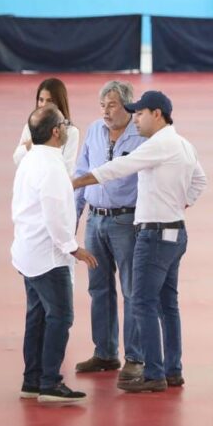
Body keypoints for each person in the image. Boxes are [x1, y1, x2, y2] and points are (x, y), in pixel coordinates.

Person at [73, 91, 207, 393]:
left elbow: (119, 167)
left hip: (154, 235)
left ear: (157, 114)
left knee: (143, 302)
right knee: (168, 304)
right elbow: (200, 180)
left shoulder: (158, 144)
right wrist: (179, 204)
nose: (136, 119)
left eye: (140, 113)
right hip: (175, 231)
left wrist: (76, 181)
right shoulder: (183, 144)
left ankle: (153, 373)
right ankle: (173, 370)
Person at [12, 104, 98, 404]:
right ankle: (50, 383)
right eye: (63, 123)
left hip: (27, 252)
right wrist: (73, 248)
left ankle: (32, 380)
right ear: (55, 131)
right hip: (48, 257)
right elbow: (55, 214)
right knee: (61, 316)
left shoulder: (29, 159)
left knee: (37, 316)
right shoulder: (52, 167)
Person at [73, 81, 147, 383]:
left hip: (126, 222)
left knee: (131, 289)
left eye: (112, 105)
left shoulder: (141, 135)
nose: (105, 111)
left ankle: (135, 357)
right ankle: (104, 352)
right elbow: (81, 174)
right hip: (95, 220)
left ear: (127, 106)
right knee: (98, 288)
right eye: (102, 105)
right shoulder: (94, 130)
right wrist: (74, 218)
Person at [13, 78, 80, 174]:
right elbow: (17, 159)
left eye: (49, 101)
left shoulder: (71, 132)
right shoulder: (29, 127)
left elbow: (67, 169)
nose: (44, 105)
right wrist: (34, 139)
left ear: (59, 102)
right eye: (41, 100)